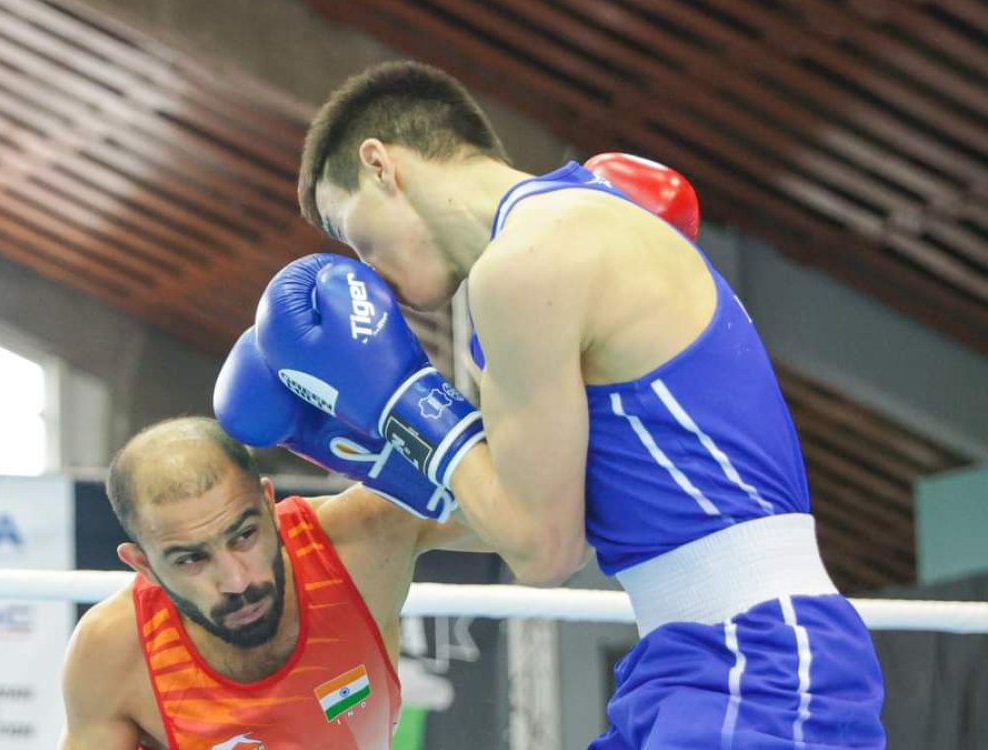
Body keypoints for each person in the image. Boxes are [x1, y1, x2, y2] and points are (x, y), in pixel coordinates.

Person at [250, 61, 885, 748]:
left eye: (357, 236)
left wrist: (408, 402)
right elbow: (550, 512)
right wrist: (377, 456)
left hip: (752, 660)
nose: (370, 272)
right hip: (691, 663)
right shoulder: (557, 236)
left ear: (381, 164)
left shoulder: (530, 261)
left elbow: (545, 553)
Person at [59, 412, 484, 749]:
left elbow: (537, 529)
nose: (236, 581)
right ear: (144, 565)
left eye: (244, 535)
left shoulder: (362, 540)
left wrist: (431, 415)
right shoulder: (113, 652)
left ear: (268, 503)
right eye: (191, 559)